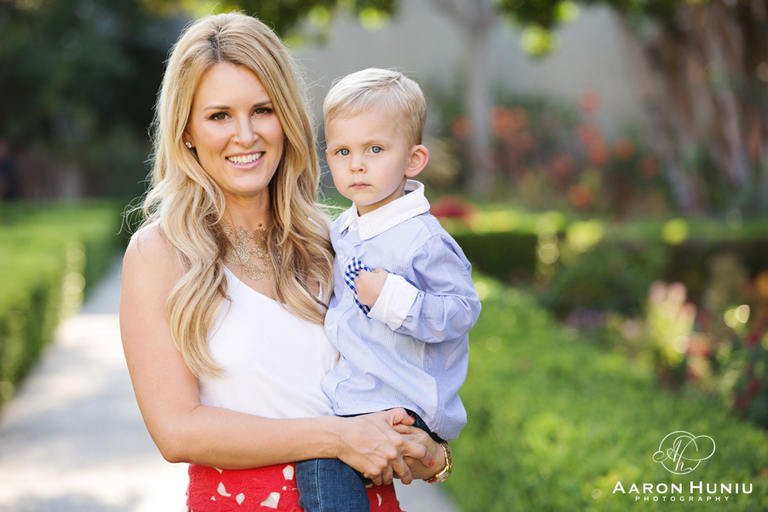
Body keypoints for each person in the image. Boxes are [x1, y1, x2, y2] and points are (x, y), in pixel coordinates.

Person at [119, 13, 445, 512]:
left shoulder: (341, 240)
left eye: (263, 110)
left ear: (287, 119)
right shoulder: (159, 254)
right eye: (219, 115)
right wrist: (337, 438)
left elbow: (405, 373)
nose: (245, 135)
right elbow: (177, 430)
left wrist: (430, 448)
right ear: (186, 130)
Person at [294, 68, 481, 511]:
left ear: (413, 160)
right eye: (343, 151)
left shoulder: (422, 238)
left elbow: (462, 310)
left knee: (322, 467)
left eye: (375, 149)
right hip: (361, 393)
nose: (357, 164)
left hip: (402, 399)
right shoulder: (344, 229)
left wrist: (396, 301)